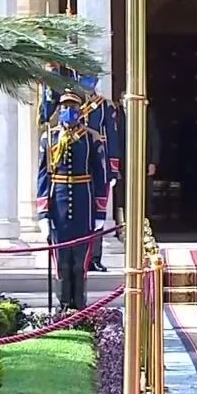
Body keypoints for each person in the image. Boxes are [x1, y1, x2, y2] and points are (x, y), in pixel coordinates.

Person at [36, 92, 108, 311]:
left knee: (80, 262)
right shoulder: (49, 138)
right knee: (61, 261)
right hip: (58, 203)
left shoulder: (91, 138)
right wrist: (43, 213)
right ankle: (63, 307)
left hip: (83, 202)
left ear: (80, 110)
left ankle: (80, 307)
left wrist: (100, 211)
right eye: (65, 107)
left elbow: (100, 176)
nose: (69, 111)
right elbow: (43, 176)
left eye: (73, 107)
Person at [79, 75, 121, 273]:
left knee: (98, 213)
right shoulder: (71, 104)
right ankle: (78, 257)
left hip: (99, 166)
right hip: (78, 165)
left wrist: (112, 169)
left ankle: (95, 257)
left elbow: (112, 137)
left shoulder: (104, 106)